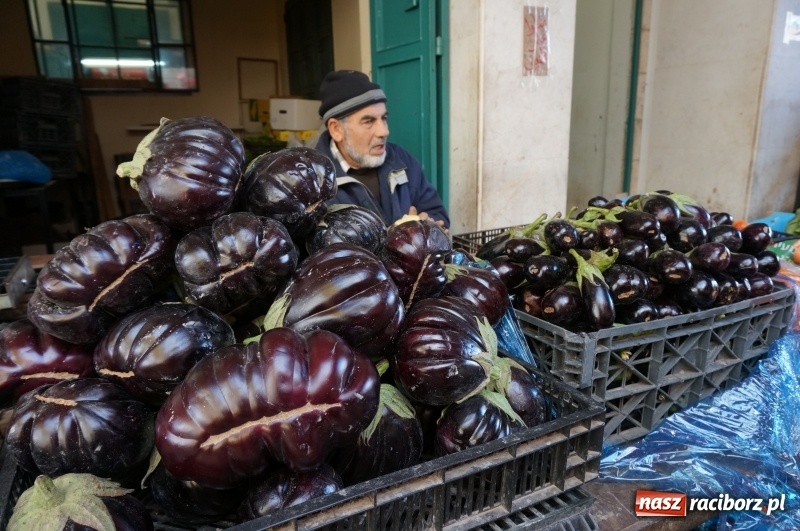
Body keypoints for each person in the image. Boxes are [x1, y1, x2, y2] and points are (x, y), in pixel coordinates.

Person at [314, 70, 450, 231]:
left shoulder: (402, 161)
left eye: (384, 118)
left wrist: (429, 225)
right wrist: (395, 238)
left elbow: (437, 213)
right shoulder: (314, 184)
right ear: (336, 129)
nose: (384, 131)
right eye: (368, 121)